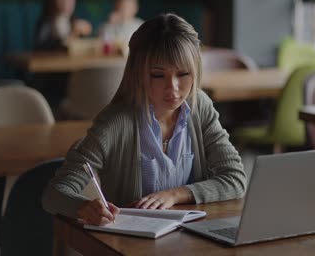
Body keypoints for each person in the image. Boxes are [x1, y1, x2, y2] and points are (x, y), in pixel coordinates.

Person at [42, 13, 246, 226]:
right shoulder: (115, 122)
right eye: (158, 76)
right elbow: (54, 194)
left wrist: (176, 194)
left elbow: (235, 179)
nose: (173, 88)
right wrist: (84, 207)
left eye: (183, 74)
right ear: (137, 73)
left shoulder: (199, 105)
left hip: (193, 238)